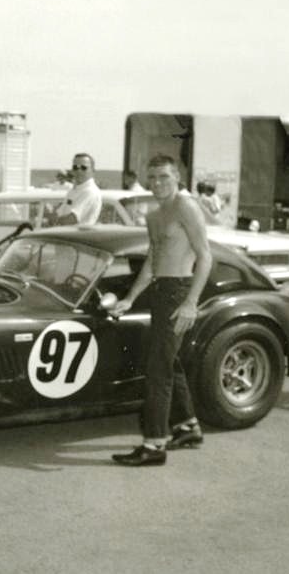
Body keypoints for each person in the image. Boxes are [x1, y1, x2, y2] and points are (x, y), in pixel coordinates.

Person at [111, 154, 212, 466]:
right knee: (171, 362)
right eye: (152, 177)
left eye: (164, 177)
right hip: (160, 291)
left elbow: (205, 256)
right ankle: (188, 427)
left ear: (178, 177)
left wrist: (191, 303)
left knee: (158, 369)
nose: (157, 184)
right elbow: (153, 263)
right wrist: (129, 298)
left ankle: (155, 445)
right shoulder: (155, 216)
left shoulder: (186, 206)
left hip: (179, 291)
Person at [48, 153, 102, 226]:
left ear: (93, 171)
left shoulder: (90, 192)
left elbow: (71, 219)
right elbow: (58, 213)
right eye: (75, 167)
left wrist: (55, 220)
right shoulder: (74, 190)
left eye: (83, 168)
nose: (79, 171)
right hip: (65, 234)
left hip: (77, 236)